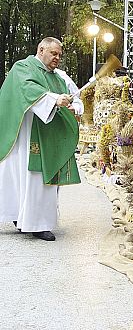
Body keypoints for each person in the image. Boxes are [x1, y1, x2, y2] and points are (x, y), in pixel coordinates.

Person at [0, 37, 81, 241]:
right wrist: (54, 99)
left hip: (46, 134)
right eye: (54, 53)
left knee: (37, 178)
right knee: (24, 177)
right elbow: (27, 89)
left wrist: (70, 105)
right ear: (41, 49)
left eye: (60, 55)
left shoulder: (59, 78)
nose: (57, 58)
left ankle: (37, 221)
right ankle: (29, 220)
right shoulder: (23, 67)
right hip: (23, 136)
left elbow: (71, 98)